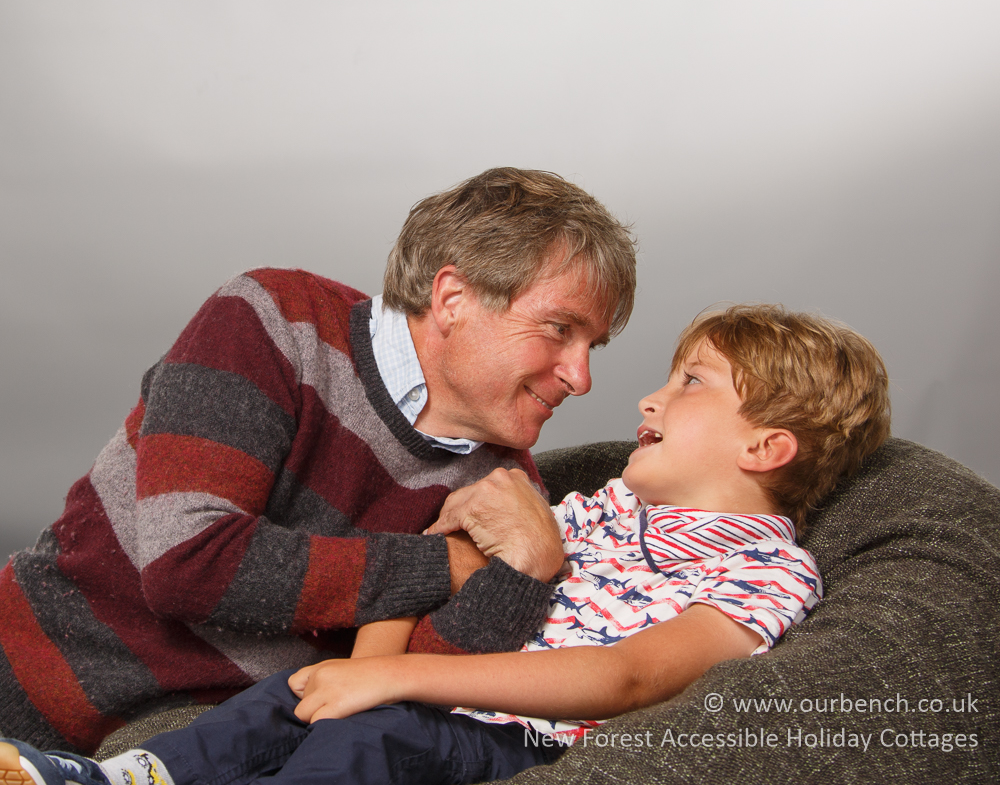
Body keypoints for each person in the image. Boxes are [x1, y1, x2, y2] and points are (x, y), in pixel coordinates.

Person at [0, 303, 892, 785]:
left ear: (766, 447)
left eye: (688, 385)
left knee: (368, 737)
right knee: (295, 698)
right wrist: (360, 666)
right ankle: (121, 779)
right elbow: (421, 568)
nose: (646, 403)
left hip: (513, 739)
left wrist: (394, 679)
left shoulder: (768, 567)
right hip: (409, 694)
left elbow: (631, 676)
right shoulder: (595, 508)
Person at [0, 168, 638, 754]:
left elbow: (406, 684)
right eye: (560, 329)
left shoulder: (509, 495)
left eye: (593, 345)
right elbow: (188, 563)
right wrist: (451, 563)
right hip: (20, 684)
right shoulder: (275, 319)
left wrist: (528, 567)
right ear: (453, 298)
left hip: (189, 748)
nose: (580, 378)